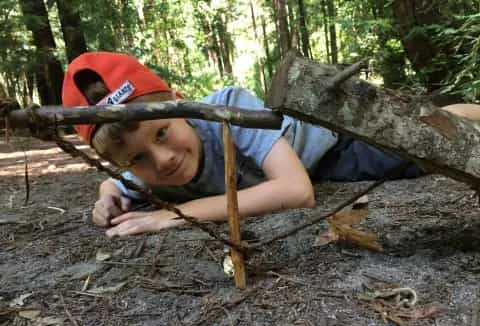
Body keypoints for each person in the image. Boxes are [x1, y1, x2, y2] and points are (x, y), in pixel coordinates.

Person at [61, 51, 477, 238]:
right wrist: (107, 195)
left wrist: (175, 216)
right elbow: (118, 184)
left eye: (163, 132)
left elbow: (296, 192)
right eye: (138, 158)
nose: (163, 159)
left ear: (179, 104)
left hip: (328, 145)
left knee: (421, 142)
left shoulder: (225, 109)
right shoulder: (139, 173)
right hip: (320, 169)